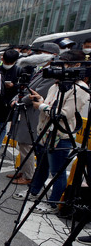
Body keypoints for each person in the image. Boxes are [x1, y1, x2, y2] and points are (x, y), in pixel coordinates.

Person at [22, 50, 90, 215]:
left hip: (61, 135)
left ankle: (52, 202)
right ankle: (34, 192)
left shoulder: (80, 88)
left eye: (64, 63)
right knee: (42, 166)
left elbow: (64, 114)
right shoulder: (56, 84)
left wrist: (42, 107)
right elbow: (51, 105)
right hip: (45, 132)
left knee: (57, 172)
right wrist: (41, 101)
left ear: (75, 65)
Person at [7, 43, 58, 185]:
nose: (37, 56)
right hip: (26, 111)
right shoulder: (41, 70)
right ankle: (23, 171)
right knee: (22, 143)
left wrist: (21, 101)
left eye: (41, 53)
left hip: (34, 112)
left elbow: (38, 93)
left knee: (27, 143)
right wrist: (17, 98)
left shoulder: (52, 73)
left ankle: (28, 176)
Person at [0, 50, 21, 156]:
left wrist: (14, 86)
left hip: (8, 103)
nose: (7, 64)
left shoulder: (18, 70)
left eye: (10, 62)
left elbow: (23, 86)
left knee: (2, 127)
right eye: (6, 61)